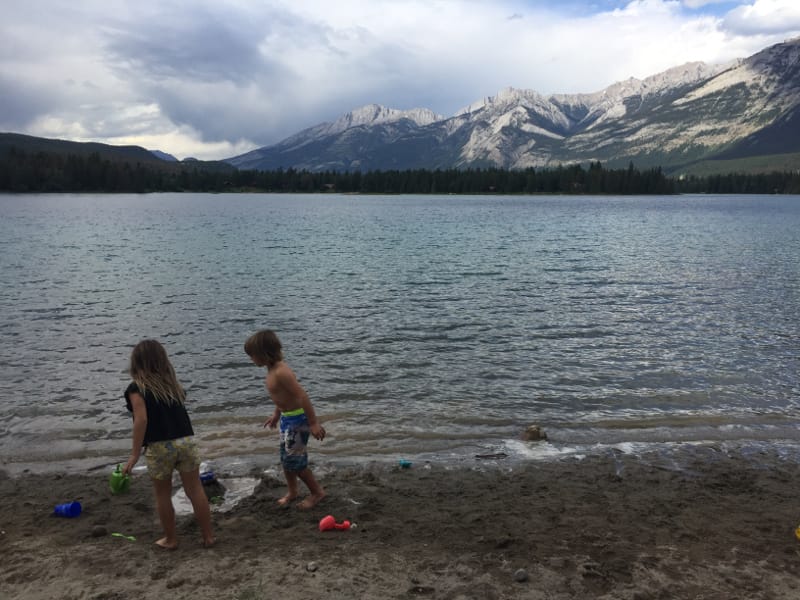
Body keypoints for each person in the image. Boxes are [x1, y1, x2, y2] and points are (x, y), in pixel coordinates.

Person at [122, 339, 215, 549]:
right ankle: (208, 536)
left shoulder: (136, 388)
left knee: (163, 494)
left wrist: (134, 454)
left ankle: (171, 539)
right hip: (186, 441)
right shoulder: (173, 385)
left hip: (159, 446)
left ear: (136, 363)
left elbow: (141, 420)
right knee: (195, 490)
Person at [244, 329, 327, 509]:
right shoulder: (272, 370)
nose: (251, 360)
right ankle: (293, 491)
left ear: (264, 354)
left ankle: (317, 492)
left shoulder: (281, 372)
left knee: (296, 462)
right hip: (287, 420)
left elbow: (301, 395)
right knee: (286, 459)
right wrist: (276, 414)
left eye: (252, 356)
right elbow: (283, 397)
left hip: (298, 421)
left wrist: (313, 422)